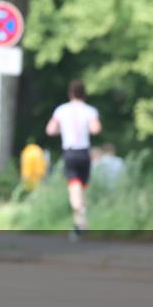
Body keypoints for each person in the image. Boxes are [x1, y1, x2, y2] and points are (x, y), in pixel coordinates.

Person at [46, 79, 101, 241]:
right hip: (84, 152)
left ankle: (79, 215)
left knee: (74, 187)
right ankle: (80, 220)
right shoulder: (90, 111)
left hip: (70, 152)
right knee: (82, 187)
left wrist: (61, 130)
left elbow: (50, 130)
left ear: (70, 93)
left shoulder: (62, 110)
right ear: (84, 93)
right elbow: (96, 129)